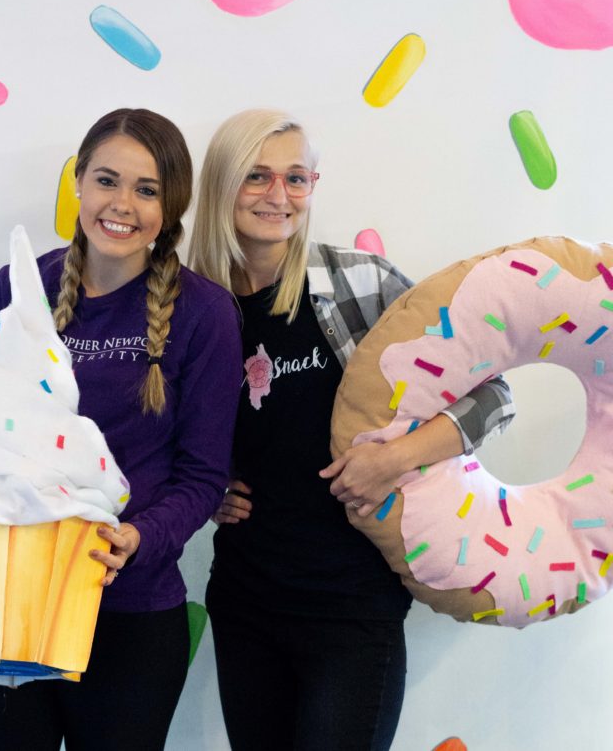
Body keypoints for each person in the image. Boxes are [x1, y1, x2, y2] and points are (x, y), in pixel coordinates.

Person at [188, 109, 514, 751]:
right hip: (246, 603)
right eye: (256, 176)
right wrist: (206, 481)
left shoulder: (359, 284)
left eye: (296, 178)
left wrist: (396, 460)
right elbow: (165, 425)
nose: (278, 197)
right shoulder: (194, 306)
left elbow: (493, 394)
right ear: (223, 184)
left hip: (352, 607)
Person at [0, 108, 242, 751]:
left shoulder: (205, 313)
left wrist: (139, 537)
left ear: (171, 207)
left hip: (132, 616)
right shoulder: (14, 290)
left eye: (147, 190)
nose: (123, 205)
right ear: (78, 183)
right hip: (7, 604)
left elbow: (202, 476)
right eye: (107, 180)